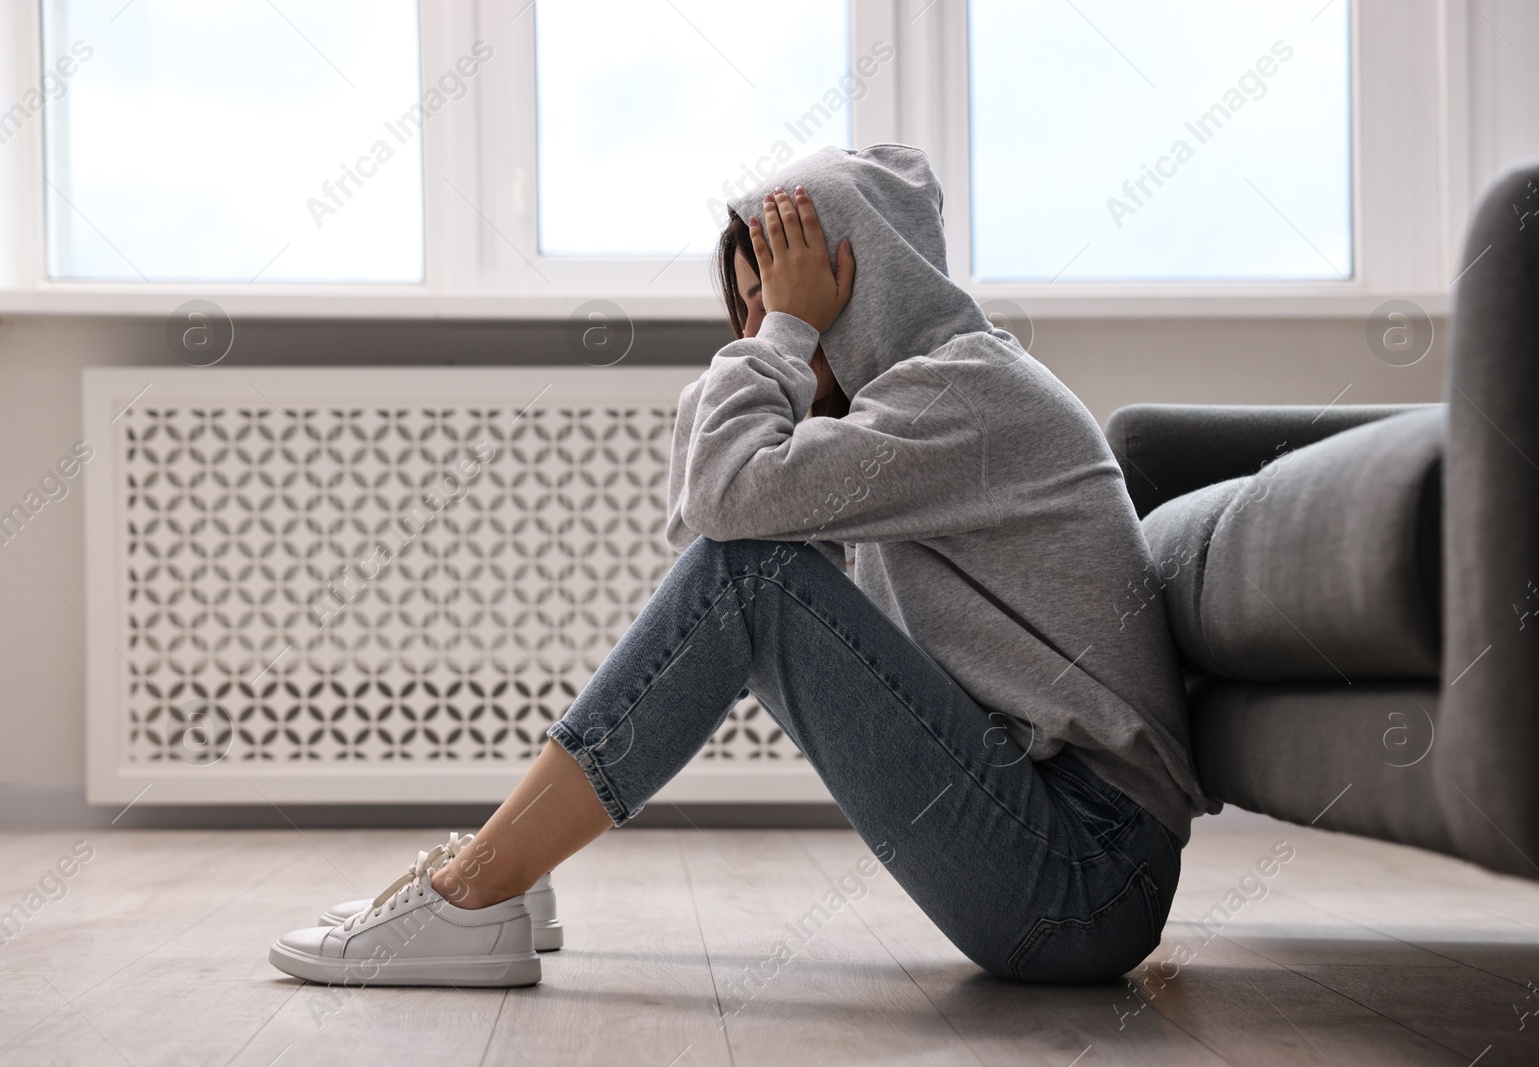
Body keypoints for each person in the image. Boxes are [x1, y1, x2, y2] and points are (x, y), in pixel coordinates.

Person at [268, 143, 1217, 989]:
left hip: (1086, 873)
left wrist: (781, 344)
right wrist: (780, 344)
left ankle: (482, 884)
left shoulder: (965, 394)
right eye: (750, 309)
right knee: (750, 565)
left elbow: (725, 522)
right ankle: (509, 862)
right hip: (1063, 846)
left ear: (868, 275)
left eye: (791, 298)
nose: (767, 330)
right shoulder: (903, 407)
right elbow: (704, 518)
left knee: (755, 578)